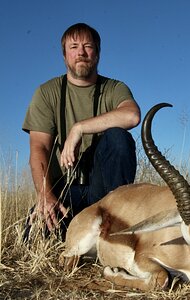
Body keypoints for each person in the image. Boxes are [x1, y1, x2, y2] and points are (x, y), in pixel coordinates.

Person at [22, 23, 140, 238]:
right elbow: (39, 147)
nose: (81, 53)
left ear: (97, 52)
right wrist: (46, 196)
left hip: (103, 192)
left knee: (118, 136)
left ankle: (116, 224)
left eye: (88, 46)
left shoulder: (114, 88)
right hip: (65, 191)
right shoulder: (47, 92)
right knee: (34, 237)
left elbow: (131, 115)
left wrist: (79, 128)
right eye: (74, 46)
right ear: (64, 54)